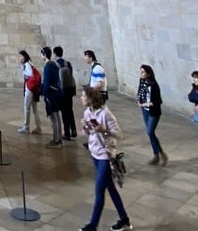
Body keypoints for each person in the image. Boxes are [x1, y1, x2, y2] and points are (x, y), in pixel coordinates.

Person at [80, 86, 132, 231]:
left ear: (91, 98)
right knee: (111, 188)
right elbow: (89, 134)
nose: (81, 98)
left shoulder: (106, 114)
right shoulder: (87, 112)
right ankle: (124, 219)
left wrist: (104, 130)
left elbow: (118, 134)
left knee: (99, 189)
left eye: (83, 96)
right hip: (95, 152)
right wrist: (85, 127)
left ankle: (93, 225)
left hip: (105, 155)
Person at [137, 64, 166, 165]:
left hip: (153, 111)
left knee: (150, 132)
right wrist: (139, 101)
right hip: (145, 110)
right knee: (151, 133)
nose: (141, 74)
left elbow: (158, 101)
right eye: (141, 72)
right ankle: (156, 155)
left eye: (143, 72)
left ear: (148, 73)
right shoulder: (142, 82)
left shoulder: (154, 85)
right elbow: (140, 93)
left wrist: (145, 104)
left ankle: (161, 152)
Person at [40, 46, 64, 148]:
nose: (40, 56)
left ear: (44, 55)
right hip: (57, 92)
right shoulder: (54, 64)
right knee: (58, 117)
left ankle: (56, 140)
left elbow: (46, 82)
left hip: (51, 94)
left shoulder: (48, 66)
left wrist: (43, 93)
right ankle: (59, 139)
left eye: (41, 54)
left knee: (54, 118)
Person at [54, 45, 78, 140]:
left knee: (64, 112)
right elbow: (71, 75)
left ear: (55, 53)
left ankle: (67, 133)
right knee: (70, 110)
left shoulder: (55, 64)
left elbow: (56, 80)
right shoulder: (67, 63)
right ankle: (74, 130)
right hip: (70, 90)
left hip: (62, 91)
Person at [17, 50, 43, 135]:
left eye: (20, 56)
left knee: (27, 108)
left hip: (30, 88)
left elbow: (30, 74)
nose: (20, 58)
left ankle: (26, 127)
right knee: (34, 109)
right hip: (34, 88)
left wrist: (23, 70)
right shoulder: (30, 63)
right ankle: (38, 127)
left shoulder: (27, 64)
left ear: (24, 57)